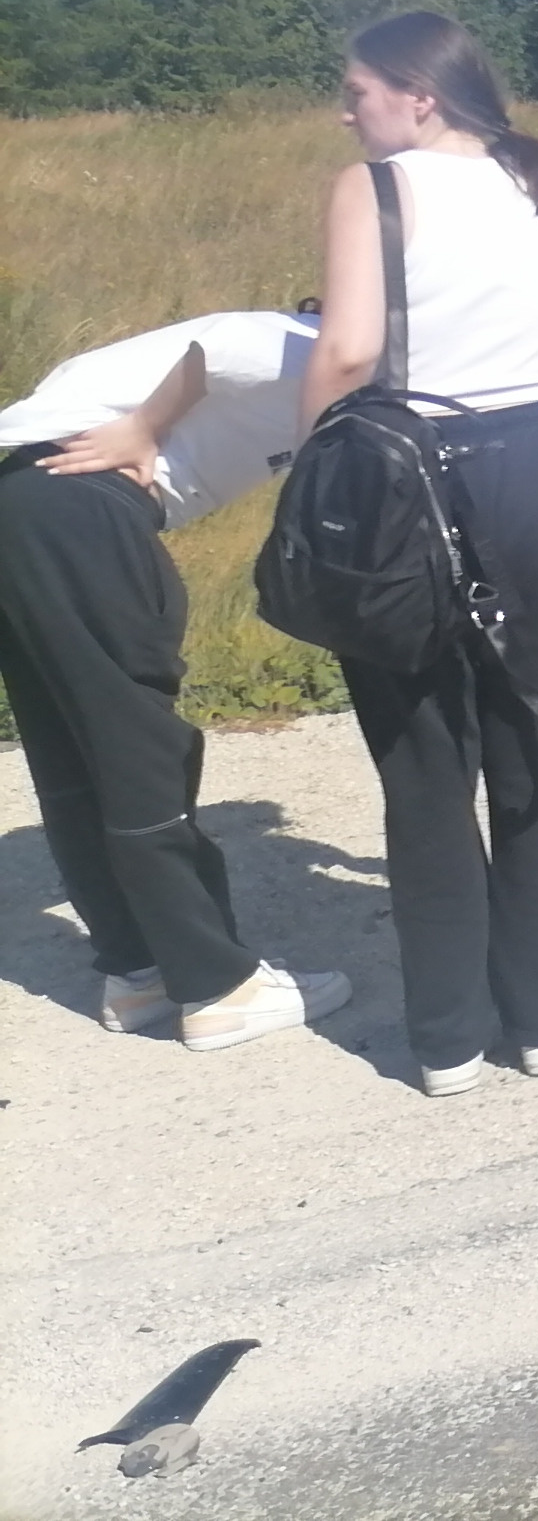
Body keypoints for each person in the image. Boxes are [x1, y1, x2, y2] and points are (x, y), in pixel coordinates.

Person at [300, 11, 538, 1098]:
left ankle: (446, 1039)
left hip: (409, 472)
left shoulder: (373, 189)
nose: (347, 111)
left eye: (358, 91)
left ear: (419, 95)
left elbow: (346, 351)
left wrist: (312, 488)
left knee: (427, 767)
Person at [0, 313, 355, 1049]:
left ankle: (138, 973)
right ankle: (218, 986)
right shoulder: (304, 343)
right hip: (78, 506)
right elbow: (215, 354)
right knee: (139, 749)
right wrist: (143, 431)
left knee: (72, 754)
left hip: (26, 500)